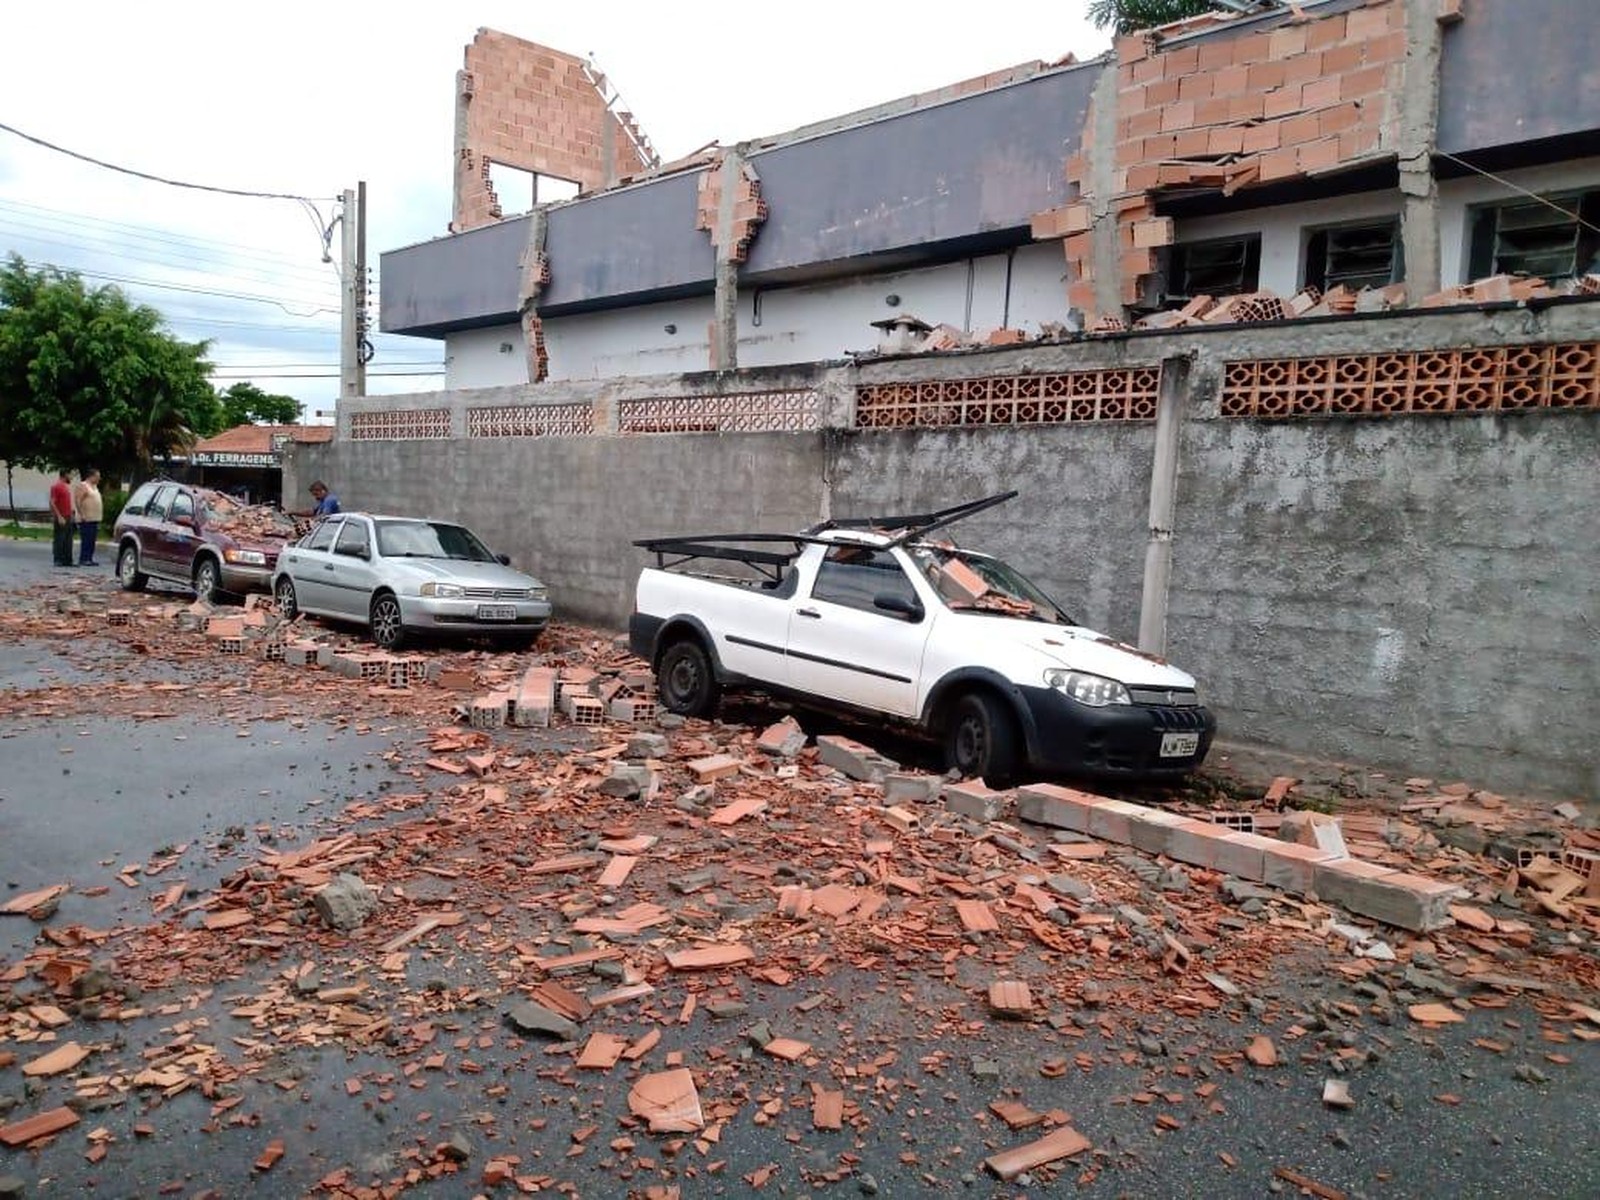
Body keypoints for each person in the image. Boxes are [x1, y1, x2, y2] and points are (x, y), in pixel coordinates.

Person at [73, 469, 103, 566]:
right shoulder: (83, 486)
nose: (99, 478)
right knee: (86, 539)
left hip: (94, 518)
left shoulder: (95, 487)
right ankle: (84, 558)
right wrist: (81, 514)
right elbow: (78, 501)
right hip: (86, 518)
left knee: (92, 540)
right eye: (97, 476)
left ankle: (89, 558)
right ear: (91, 476)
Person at [49, 469, 76, 568]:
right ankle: (58, 559)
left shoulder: (66, 487)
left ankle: (67, 560)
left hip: (68, 516)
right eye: (71, 475)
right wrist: (59, 516)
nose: (72, 478)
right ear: (65, 475)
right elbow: (52, 502)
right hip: (61, 516)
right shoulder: (57, 486)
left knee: (68, 539)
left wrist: (72, 515)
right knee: (60, 538)